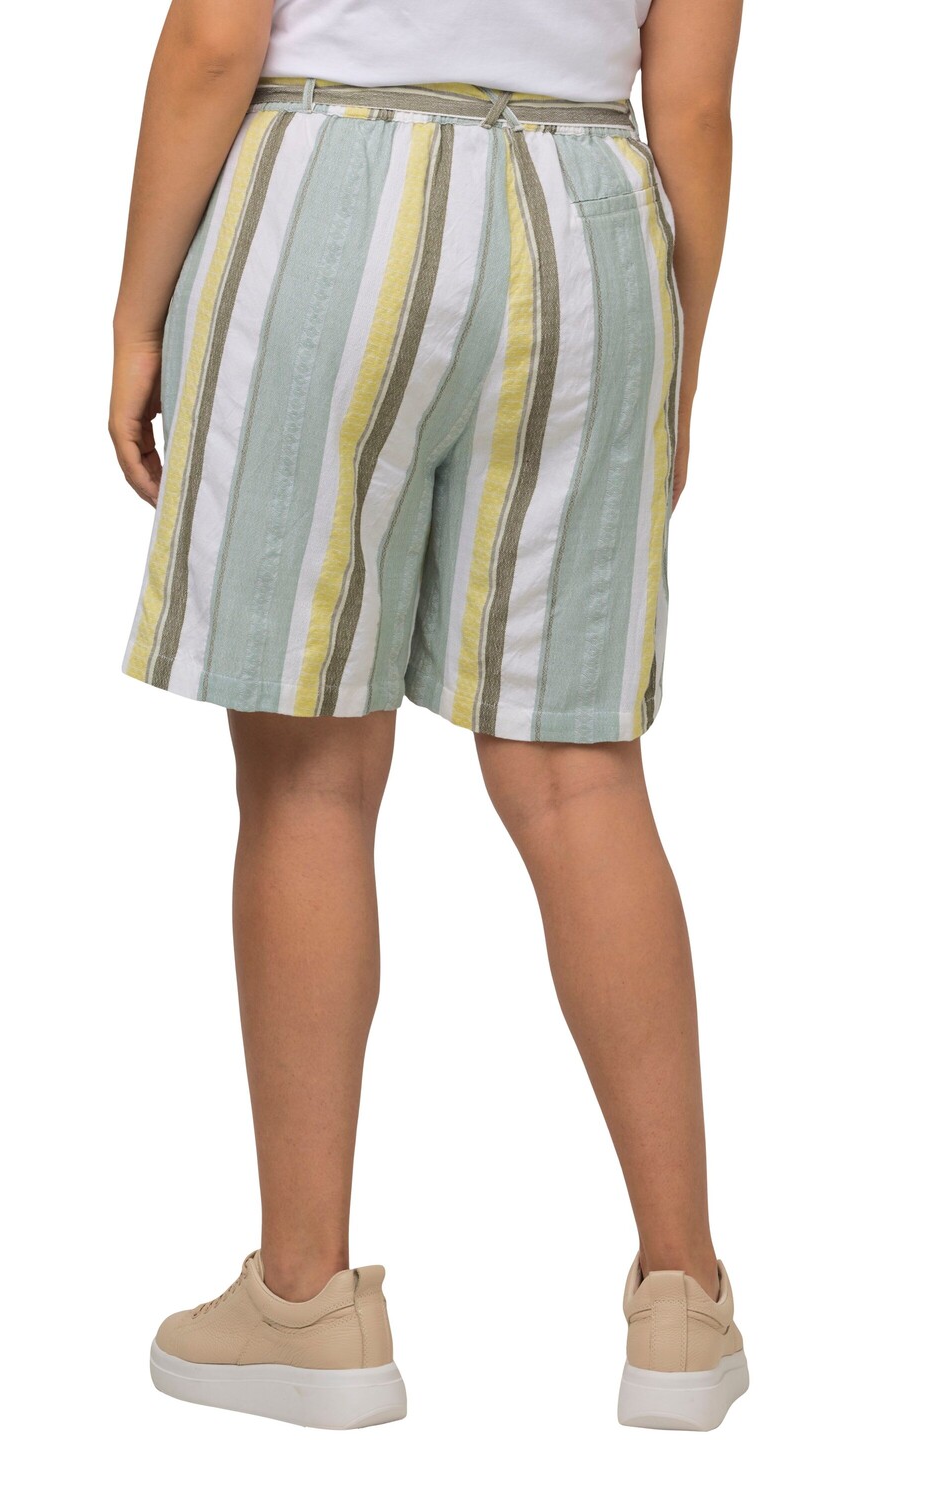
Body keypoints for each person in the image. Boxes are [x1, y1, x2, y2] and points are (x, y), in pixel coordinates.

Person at [110, 0, 746, 1432]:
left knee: (309, 776)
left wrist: (134, 313)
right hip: (590, 220)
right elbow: (695, 106)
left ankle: (307, 1302)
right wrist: (683, 353)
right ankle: (684, 1302)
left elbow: (215, 39)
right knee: (581, 777)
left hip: (330, 197)